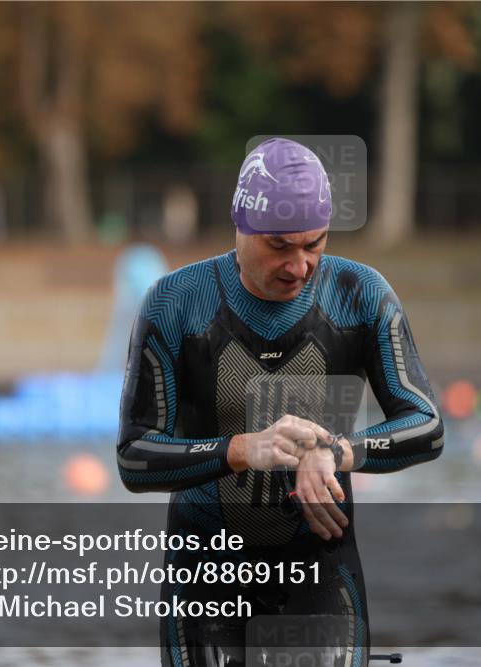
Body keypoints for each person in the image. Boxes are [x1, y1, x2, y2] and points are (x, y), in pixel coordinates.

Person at [117, 137, 444, 667]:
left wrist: (337, 452)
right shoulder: (175, 302)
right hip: (206, 579)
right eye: (280, 246)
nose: (300, 265)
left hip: (319, 575)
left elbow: (426, 425)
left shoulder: (359, 294)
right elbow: (134, 457)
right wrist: (244, 449)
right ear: (241, 226)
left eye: (314, 244)